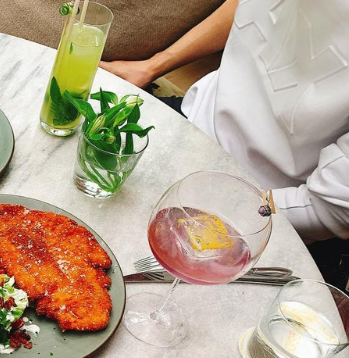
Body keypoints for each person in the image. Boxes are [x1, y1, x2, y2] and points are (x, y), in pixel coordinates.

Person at [100, 0, 349, 243]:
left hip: (259, 198)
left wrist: (234, 205)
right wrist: (152, 66)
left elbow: (329, 209)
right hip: (194, 116)